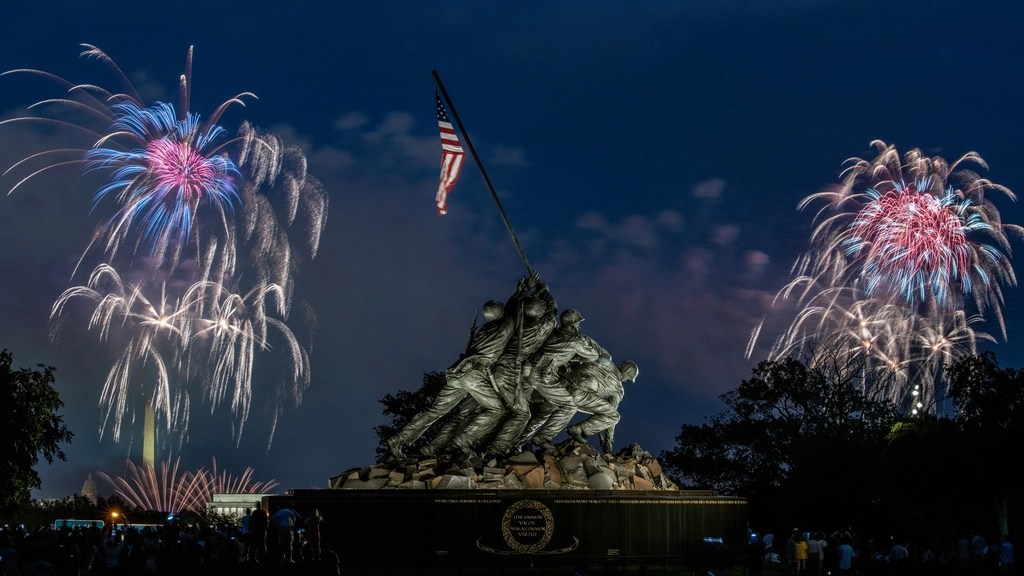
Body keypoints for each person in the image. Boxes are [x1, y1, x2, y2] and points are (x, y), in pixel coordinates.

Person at [387, 276, 531, 459]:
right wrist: (522, 292)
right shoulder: (504, 326)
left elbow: (507, 311)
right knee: (497, 410)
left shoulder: (482, 330)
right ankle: (462, 442)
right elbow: (513, 310)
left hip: (457, 373)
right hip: (474, 374)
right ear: (500, 314)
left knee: (435, 411)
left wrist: (519, 291)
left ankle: (399, 439)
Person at [481, 280, 558, 458]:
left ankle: (500, 445)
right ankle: (496, 450)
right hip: (509, 372)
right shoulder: (541, 327)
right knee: (523, 414)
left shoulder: (514, 324)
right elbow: (553, 311)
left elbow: (507, 310)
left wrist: (522, 291)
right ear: (540, 312)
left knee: (512, 409)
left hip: (503, 370)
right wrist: (544, 291)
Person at [514, 308, 608, 451]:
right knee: (570, 406)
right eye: (577, 324)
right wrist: (584, 345)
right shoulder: (575, 340)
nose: (578, 326)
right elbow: (593, 356)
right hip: (543, 375)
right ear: (571, 325)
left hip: (529, 371)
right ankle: (543, 437)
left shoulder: (555, 332)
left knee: (536, 411)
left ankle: (516, 443)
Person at [563, 359, 638, 454]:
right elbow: (611, 412)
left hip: (565, 382)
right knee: (614, 416)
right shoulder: (618, 389)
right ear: (625, 375)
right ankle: (579, 429)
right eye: (628, 379)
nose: (626, 380)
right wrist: (609, 440)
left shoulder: (606, 361)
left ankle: (582, 430)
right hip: (579, 395)